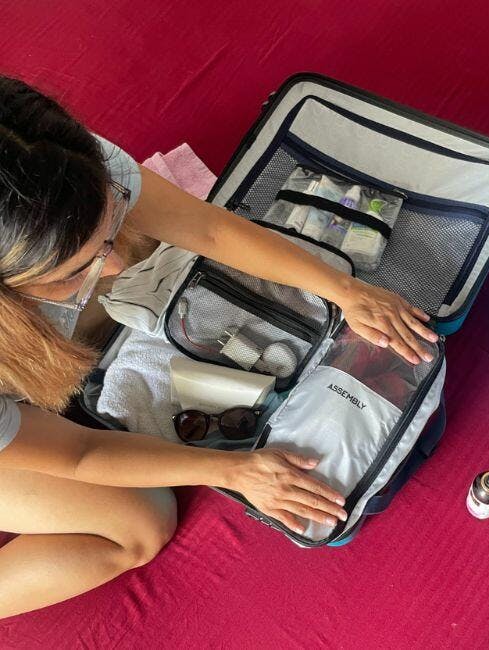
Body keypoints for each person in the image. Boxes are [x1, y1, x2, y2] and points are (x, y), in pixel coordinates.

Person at [0, 75, 438, 618]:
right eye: (75, 268)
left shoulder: (49, 159)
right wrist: (231, 470)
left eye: (105, 235)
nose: (114, 266)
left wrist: (345, 291)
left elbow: (208, 232)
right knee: (142, 524)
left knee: (138, 258)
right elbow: (80, 453)